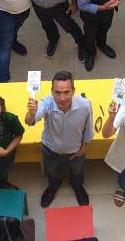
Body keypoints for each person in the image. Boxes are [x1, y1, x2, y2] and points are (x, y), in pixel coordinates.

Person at [25, 70, 93, 207]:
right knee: (52, 172)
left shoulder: (85, 105)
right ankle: (53, 186)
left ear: (73, 91)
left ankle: (77, 187)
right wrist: (31, 113)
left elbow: (88, 129)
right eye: (57, 93)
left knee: (77, 172)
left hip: (75, 151)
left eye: (66, 92)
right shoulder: (45, 103)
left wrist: (83, 148)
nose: (62, 98)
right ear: (51, 91)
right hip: (51, 150)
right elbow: (29, 122)